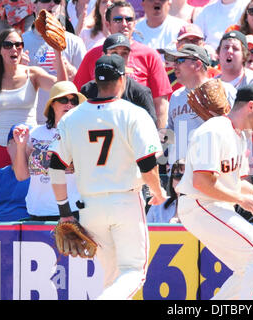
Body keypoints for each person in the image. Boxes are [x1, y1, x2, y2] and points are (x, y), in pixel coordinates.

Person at [48, 54, 167, 299]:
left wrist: (64, 212)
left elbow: (55, 165)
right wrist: (157, 191)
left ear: (96, 80)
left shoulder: (72, 117)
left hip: (90, 206)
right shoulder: (133, 113)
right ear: (123, 79)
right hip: (125, 201)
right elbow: (147, 163)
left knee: (112, 276)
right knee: (134, 272)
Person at [176, 85, 253, 300]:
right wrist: (240, 199)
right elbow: (202, 182)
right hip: (200, 204)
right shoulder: (213, 130)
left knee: (249, 266)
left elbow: (236, 183)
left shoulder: (239, 135)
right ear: (251, 106)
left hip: (212, 205)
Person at [73, 0, 172, 129]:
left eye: (129, 19)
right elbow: (78, 97)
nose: (124, 24)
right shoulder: (92, 56)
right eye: (118, 19)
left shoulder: (150, 55)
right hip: (100, 132)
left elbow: (161, 102)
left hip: (136, 132)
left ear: (134, 24)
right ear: (108, 25)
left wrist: (159, 135)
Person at [0, 28, 67, 181]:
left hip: (30, 147)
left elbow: (62, 89)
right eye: (8, 45)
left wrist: (58, 53)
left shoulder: (33, 74)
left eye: (18, 44)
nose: (14, 49)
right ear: (0, 50)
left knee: (30, 198)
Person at [12, 81, 85, 221]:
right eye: (64, 100)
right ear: (52, 103)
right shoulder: (35, 133)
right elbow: (21, 176)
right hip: (38, 210)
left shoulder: (82, 133)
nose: (69, 104)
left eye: (74, 101)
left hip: (71, 211)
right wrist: (21, 147)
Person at [163, 43, 237, 166]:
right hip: (181, 172)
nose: (174, 65)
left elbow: (239, 128)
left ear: (197, 64)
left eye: (180, 60)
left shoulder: (225, 90)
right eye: (174, 61)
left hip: (214, 167)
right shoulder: (175, 97)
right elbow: (170, 132)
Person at [22, 0, 87, 124]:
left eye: (57, 1)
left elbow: (86, 84)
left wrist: (70, 70)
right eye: (46, 0)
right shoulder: (21, 41)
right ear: (33, 6)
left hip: (67, 121)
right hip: (33, 122)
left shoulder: (75, 41)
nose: (52, 4)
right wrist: (19, 68)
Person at [80, 33, 157, 122]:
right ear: (103, 55)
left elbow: (150, 129)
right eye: (114, 52)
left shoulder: (140, 92)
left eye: (124, 53)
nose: (119, 57)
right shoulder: (88, 89)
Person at [0, 124, 30, 222]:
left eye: (26, 143)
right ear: (7, 148)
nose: (20, 146)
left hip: (31, 231)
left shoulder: (41, 177)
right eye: (15, 142)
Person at [147, 158, 185, 223]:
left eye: (185, 177)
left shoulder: (202, 208)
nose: (182, 181)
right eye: (177, 175)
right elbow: (146, 229)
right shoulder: (158, 205)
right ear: (172, 180)